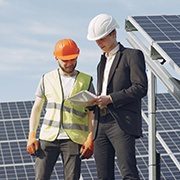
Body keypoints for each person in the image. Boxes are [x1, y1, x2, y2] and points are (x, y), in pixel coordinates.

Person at [87, 14, 148, 180]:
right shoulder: (102, 62)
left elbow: (140, 88)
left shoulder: (132, 55)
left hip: (121, 122)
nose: (99, 43)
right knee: (103, 176)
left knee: (128, 173)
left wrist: (111, 98)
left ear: (113, 33)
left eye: (101, 38)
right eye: (96, 40)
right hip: (101, 124)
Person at [26, 38, 95, 180]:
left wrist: (90, 138)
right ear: (56, 57)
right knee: (41, 177)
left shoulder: (86, 80)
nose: (70, 63)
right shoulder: (47, 78)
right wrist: (32, 135)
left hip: (73, 139)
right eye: (65, 60)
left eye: (73, 59)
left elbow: (92, 113)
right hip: (48, 137)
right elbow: (37, 108)